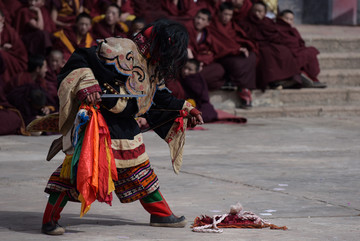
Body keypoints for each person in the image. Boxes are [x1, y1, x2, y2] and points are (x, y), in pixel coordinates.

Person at [40, 19, 203, 235]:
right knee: (78, 171)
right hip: (98, 123)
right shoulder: (121, 47)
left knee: (139, 171)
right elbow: (81, 58)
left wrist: (186, 108)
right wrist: (89, 86)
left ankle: (161, 214)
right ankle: (49, 220)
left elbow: (160, 97)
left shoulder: (154, 65)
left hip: (126, 126)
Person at [237, 1, 305, 90]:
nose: (257, 13)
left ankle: (291, 78)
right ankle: (274, 81)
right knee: (267, 54)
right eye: (255, 11)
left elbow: (275, 34)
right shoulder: (246, 22)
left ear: (264, 13)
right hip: (258, 45)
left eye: (260, 11)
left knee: (284, 50)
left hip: (270, 43)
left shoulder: (267, 22)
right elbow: (245, 36)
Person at [208, 2, 257, 108]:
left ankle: (244, 88)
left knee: (251, 56)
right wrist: (236, 50)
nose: (227, 18)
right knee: (238, 63)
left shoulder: (232, 25)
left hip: (234, 52)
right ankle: (244, 91)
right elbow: (217, 44)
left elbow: (238, 38)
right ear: (219, 13)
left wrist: (245, 47)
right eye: (225, 14)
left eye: (230, 15)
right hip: (223, 55)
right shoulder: (212, 25)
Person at [276, 9, 326, 88]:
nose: (288, 21)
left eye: (291, 19)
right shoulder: (276, 29)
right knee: (308, 53)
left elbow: (301, 43)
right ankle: (307, 79)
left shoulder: (294, 30)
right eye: (286, 18)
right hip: (287, 53)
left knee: (311, 51)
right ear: (280, 18)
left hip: (296, 51)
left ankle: (307, 78)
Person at [0, 9, 28, 87]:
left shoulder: (9, 31)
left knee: (2, 55)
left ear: (3, 19)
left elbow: (19, 51)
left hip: (15, 61)